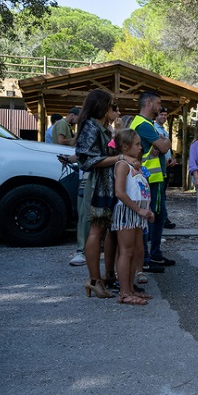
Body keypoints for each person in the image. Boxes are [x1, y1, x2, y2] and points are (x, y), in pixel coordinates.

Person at [75, 89, 121, 299]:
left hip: (108, 186)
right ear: (102, 107)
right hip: (97, 187)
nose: (115, 109)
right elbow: (87, 160)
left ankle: (107, 275)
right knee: (96, 231)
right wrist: (120, 158)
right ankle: (94, 280)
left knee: (109, 231)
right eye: (112, 106)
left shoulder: (101, 127)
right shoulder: (91, 127)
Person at [131, 92, 172, 272]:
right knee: (151, 217)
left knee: (158, 216)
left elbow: (161, 147)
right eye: (158, 103)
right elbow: (163, 147)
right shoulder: (144, 125)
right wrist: (165, 141)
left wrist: (162, 143)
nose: (160, 106)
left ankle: (153, 254)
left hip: (153, 178)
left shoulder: (144, 123)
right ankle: (146, 258)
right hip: (150, 179)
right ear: (148, 103)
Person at [112, 129, 154, 306]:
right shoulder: (122, 165)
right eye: (137, 144)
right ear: (124, 147)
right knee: (126, 251)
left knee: (136, 251)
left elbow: (142, 191)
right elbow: (120, 192)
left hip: (137, 213)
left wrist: (148, 209)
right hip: (128, 212)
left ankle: (130, 289)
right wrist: (139, 209)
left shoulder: (136, 166)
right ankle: (124, 293)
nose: (140, 147)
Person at [154, 107, 177, 229]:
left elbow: (168, 149)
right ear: (156, 116)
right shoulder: (153, 128)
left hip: (167, 165)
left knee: (163, 193)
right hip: (158, 166)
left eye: (165, 115)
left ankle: (162, 217)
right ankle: (163, 219)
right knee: (160, 194)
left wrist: (172, 158)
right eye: (161, 114)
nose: (163, 117)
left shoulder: (164, 131)